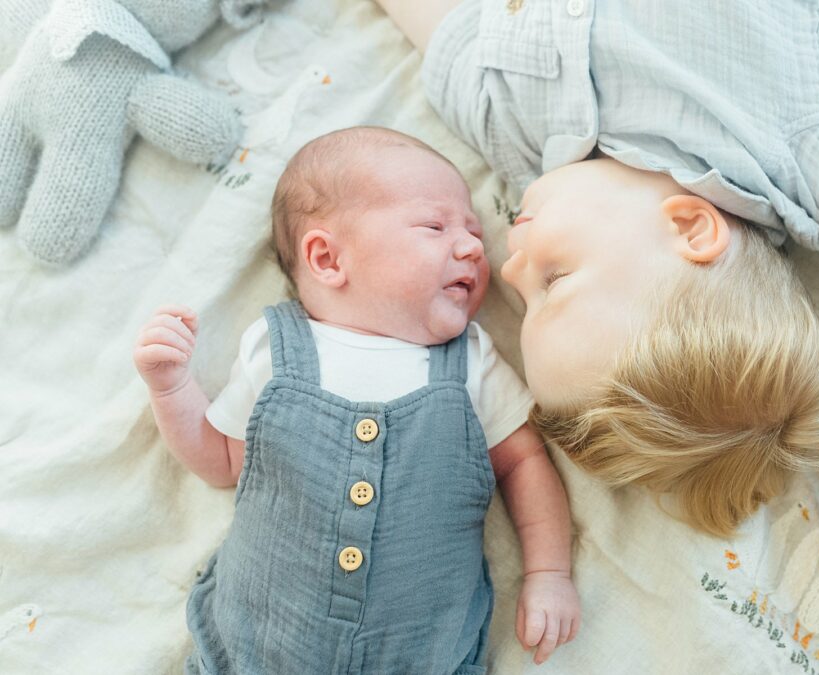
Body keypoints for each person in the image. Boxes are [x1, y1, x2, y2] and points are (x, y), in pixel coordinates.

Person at [374, 0, 819, 616]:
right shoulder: (801, 148)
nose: (507, 263)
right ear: (692, 230)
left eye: (524, 297)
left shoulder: (509, 120)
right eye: (555, 279)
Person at [133, 126, 580, 672]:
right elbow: (223, 462)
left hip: (422, 655)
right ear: (326, 258)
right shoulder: (275, 349)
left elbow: (525, 463)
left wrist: (549, 573)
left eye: (471, 230)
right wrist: (171, 387)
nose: (471, 246)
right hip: (258, 646)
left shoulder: (470, 362)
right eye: (434, 226)